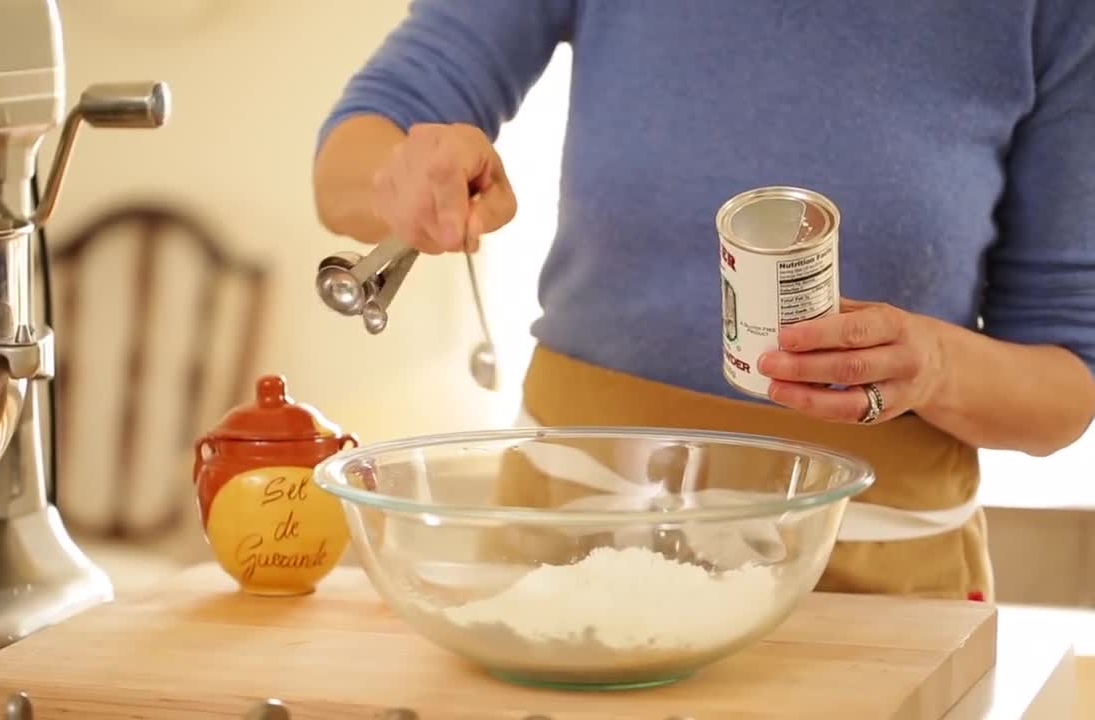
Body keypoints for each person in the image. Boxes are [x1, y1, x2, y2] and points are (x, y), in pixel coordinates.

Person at [311, 1, 1095, 601]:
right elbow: (353, 155)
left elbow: (1066, 388)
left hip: (876, 586)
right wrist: (413, 176)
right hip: (563, 554)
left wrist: (936, 368)